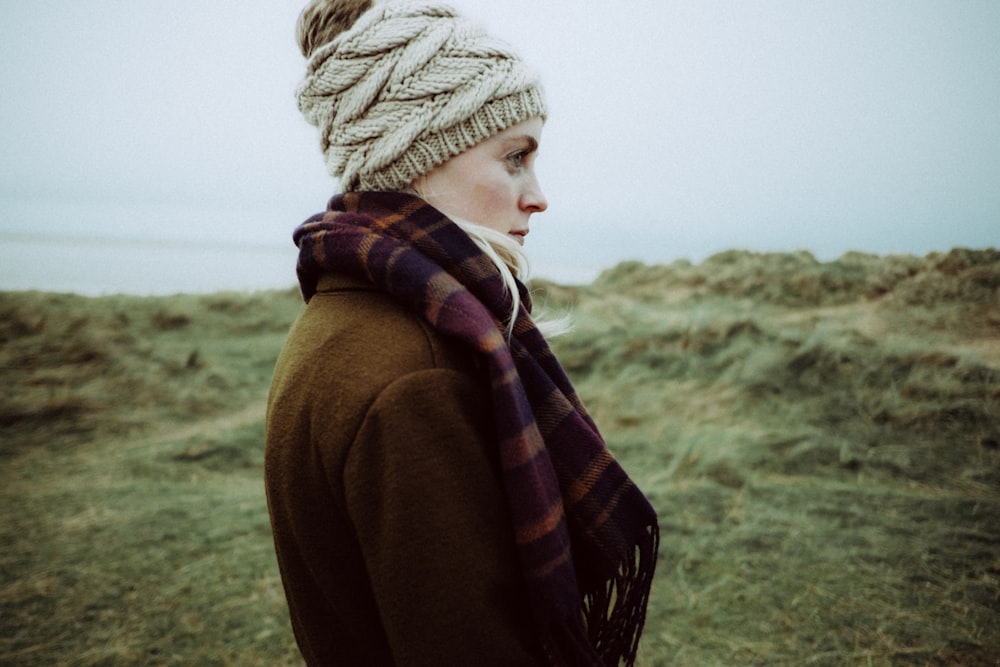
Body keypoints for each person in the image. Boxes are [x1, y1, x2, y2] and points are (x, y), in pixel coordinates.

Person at [264, 1, 659, 665]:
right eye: (515, 158)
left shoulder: (342, 312)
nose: (537, 195)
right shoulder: (417, 376)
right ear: (417, 154)